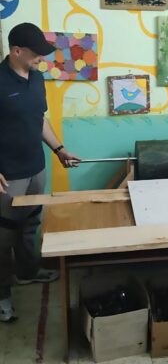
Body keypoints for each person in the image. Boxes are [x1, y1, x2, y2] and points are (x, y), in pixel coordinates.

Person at [0, 23, 80, 323]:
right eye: (36, 54)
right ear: (16, 51)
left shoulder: (36, 79)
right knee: (3, 237)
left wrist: (59, 149)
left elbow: (39, 119)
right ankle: (2, 295)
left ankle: (27, 272)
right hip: (8, 175)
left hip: (36, 168)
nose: (40, 59)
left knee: (30, 226)